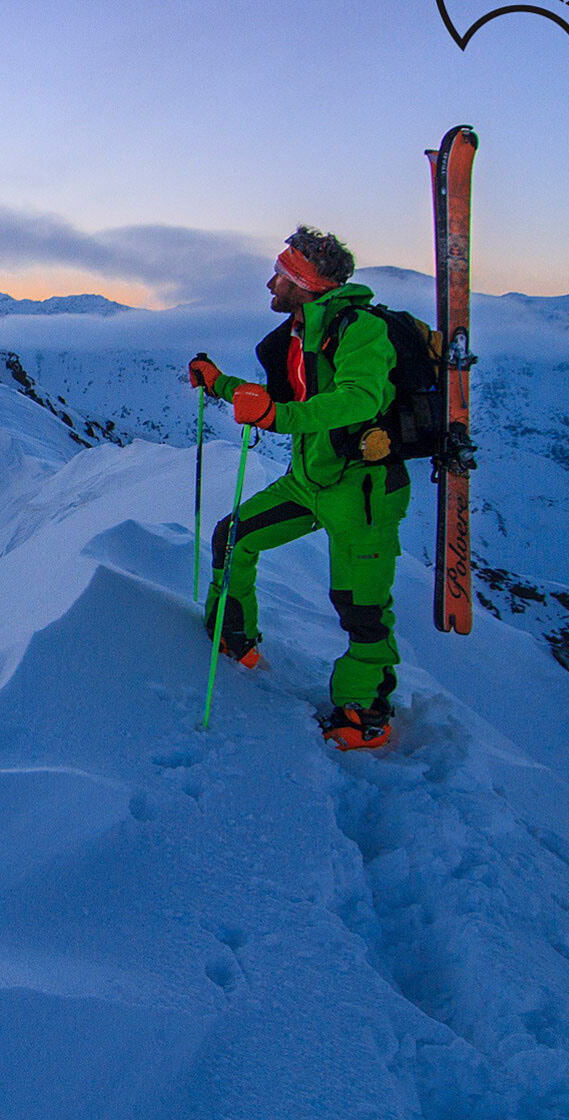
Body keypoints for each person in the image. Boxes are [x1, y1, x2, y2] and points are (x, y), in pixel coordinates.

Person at [187, 227, 408, 750]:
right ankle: (232, 638)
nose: (271, 283)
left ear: (306, 284)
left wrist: (277, 417)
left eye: (281, 275)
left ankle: (366, 714)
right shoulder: (299, 335)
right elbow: (280, 399)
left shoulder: (362, 330)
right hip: (308, 481)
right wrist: (218, 383)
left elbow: (359, 398)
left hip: (362, 492)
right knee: (233, 537)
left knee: (362, 608)